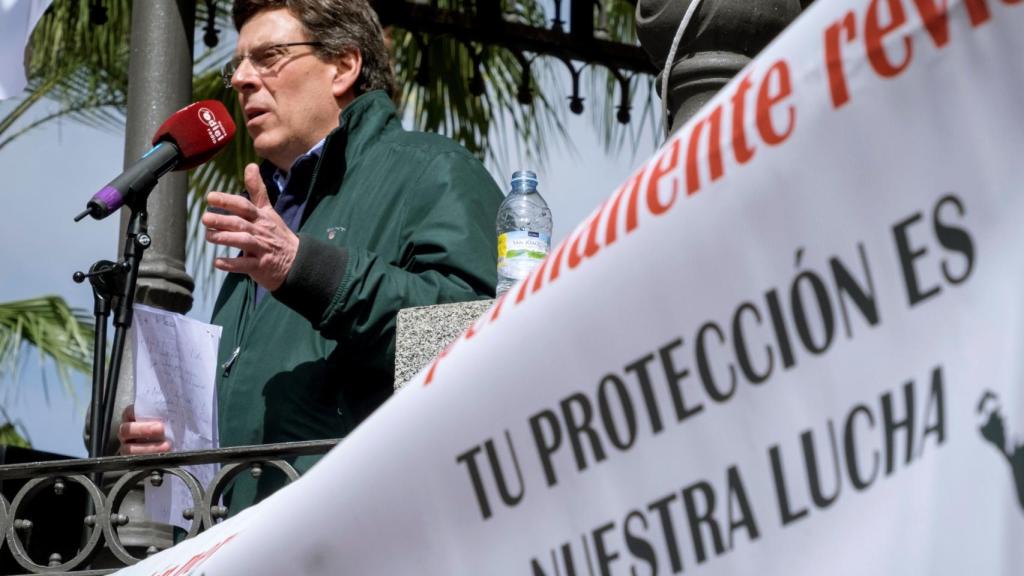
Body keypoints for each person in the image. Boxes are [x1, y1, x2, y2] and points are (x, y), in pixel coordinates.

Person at [119, 0, 503, 509]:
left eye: (269, 56)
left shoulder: (433, 171)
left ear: (344, 66)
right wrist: (173, 440)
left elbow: (479, 341)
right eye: (238, 65)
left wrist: (304, 270)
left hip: (368, 528)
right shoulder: (270, 221)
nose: (241, 80)